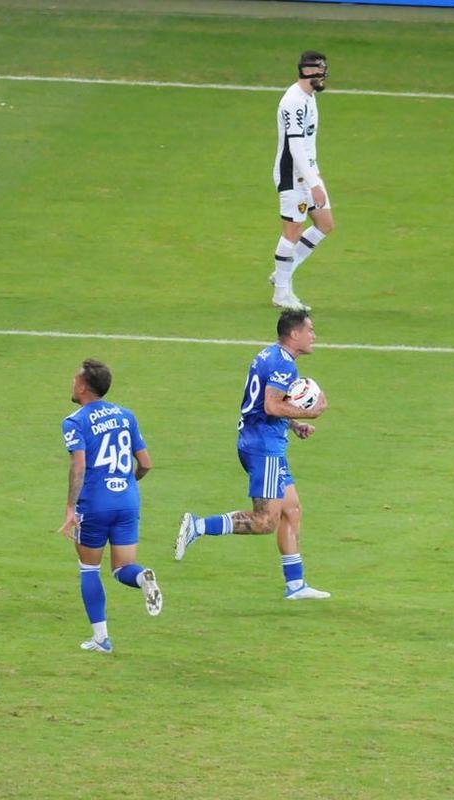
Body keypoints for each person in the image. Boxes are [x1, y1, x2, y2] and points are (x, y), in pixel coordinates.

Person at [175, 309, 330, 599]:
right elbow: (271, 406)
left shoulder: (270, 355)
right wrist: (311, 412)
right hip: (263, 448)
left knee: (292, 509)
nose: (314, 336)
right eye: (309, 330)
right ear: (294, 334)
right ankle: (198, 525)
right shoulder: (284, 364)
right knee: (265, 521)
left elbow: (263, 404)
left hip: (262, 441)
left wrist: (294, 424)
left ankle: (295, 585)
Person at [60, 357, 162, 654]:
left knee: (89, 568)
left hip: (94, 503)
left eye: (75, 379)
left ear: (83, 387)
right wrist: (127, 483)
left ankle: (101, 639)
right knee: (123, 568)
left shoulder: (74, 421)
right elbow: (146, 463)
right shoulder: (126, 415)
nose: (72, 383)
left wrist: (70, 508)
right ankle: (143, 577)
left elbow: (79, 466)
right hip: (127, 501)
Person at [270, 50, 334, 312]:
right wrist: (313, 184)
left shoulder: (309, 97)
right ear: (308, 72)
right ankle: (281, 293)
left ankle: (282, 272)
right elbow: (295, 146)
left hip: (307, 172)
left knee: (325, 224)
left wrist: (314, 175)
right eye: (321, 71)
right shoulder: (293, 101)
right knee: (292, 231)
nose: (324, 76)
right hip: (292, 175)